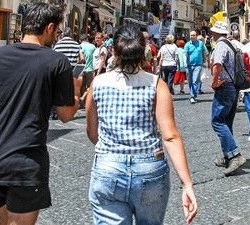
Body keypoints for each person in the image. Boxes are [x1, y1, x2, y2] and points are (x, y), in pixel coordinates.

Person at [0, 2, 81, 225]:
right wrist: (77, 93)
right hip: (26, 161)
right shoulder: (56, 61)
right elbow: (66, 115)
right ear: (49, 28)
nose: (56, 36)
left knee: (4, 220)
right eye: (57, 31)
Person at [85, 26, 198, 224]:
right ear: (144, 50)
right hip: (149, 169)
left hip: (108, 167)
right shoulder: (156, 84)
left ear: (114, 51)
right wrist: (187, 184)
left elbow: (93, 133)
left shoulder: (98, 83)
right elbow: (170, 136)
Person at [209, 21, 245, 176]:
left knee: (217, 121)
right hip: (234, 87)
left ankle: (235, 155)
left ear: (216, 33)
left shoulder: (221, 46)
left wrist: (214, 82)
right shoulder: (232, 45)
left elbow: (217, 64)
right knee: (227, 122)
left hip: (224, 87)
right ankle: (228, 156)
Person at [185, 30, 207, 104]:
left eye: (194, 35)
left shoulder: (200, 44)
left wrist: (204, 62)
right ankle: (193, 93)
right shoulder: (187, 44)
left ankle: (192, 96)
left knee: (195, 80)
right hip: (189, 65)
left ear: (196, 36)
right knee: (190, 82)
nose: (192, 37)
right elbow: (185, 54)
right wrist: (185, 62)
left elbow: (204, 53)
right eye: (191, 35)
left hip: (198, 65)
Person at [80, 34, 96, 101]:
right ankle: (88, 100)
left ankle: (83, 101)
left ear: (80, 40)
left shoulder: (80, 46)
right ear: (87, 39)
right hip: (91, 69)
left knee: (82, 85)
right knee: (90, 86)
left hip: (81, 69)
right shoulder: (93, 46)